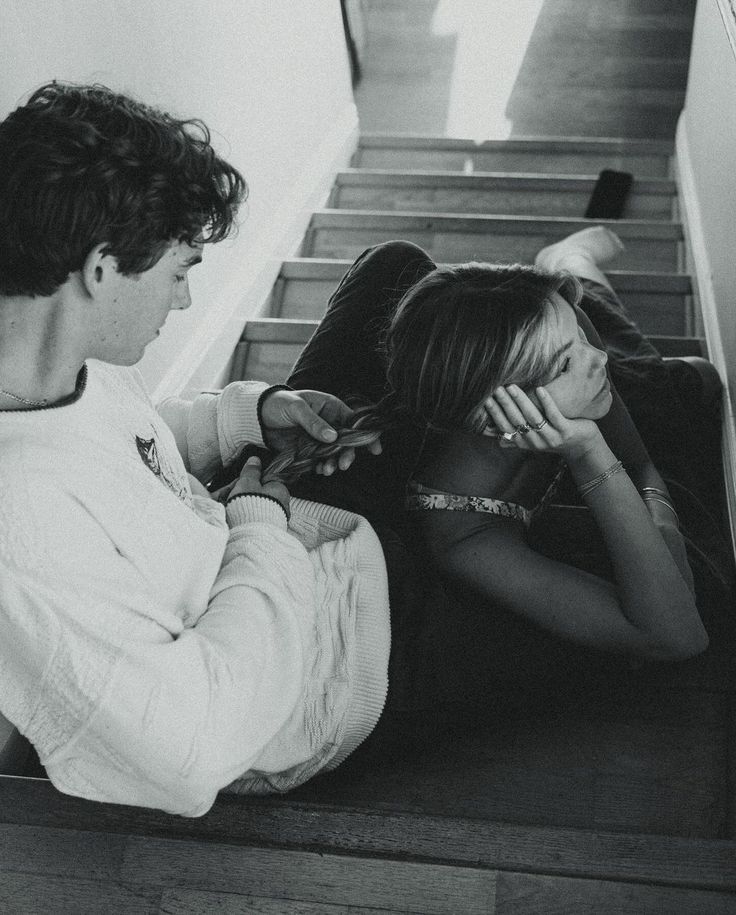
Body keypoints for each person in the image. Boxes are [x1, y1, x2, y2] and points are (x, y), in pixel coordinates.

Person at [0, 82, 387, 816]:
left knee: (393, 271)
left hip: (278, 542)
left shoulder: (62, 363)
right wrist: (260, 525)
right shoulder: (20, 519)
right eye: (179, 273)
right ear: (103, 267)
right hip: (311, 685)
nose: (181, 302)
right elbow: (192, 751)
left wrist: (250, 418)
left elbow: (129, 442)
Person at [264, 229, 735, 730]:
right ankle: (570, 260)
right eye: (566, 362)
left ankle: (567, 258)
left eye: (576, 339)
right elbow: (678, 636)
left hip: (597, 397)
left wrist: (654, 510)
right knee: (679, 382)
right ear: (498, 416)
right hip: (579, 422)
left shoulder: (567, 333)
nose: (593, 358)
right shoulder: (460, 535)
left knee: (677, 373)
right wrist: (588, 450)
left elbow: (640, 462)